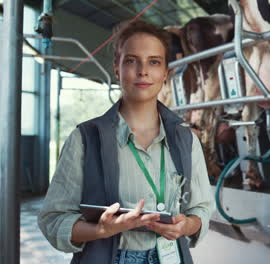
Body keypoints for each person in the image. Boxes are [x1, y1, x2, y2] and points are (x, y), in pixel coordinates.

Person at [38, 20, 215, 264]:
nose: (143, 71)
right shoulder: (85, 139)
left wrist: (185, 227)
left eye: (154, 61)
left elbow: (201, 210)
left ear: (166, 71)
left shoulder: (186, 139)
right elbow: (53, 219)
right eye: (131, 60)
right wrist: (102, 230)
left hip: (171, 257)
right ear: (117, 68)